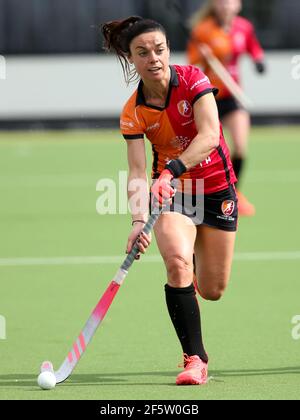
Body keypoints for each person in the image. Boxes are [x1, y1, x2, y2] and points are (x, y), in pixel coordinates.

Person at [102, 16, 238, 386]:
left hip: (216, 189)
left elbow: (211, 135)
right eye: (142, 52)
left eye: (159, 49)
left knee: (212, 290)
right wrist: (136, 221)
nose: (153, 58)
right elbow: (134, 171)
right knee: (177, 263)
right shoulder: (133, 112)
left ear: (168, 50)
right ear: (131, 59)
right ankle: (195, 358)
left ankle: (191, 267)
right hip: (176, 196)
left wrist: (170, 169)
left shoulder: (194, 80)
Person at [187, 0, 266, 216]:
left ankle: (234, 194)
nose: (225, 5)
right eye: (221, 1)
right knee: (208, 149)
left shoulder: (243, 27)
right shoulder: (202, 30)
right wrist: (202, 55)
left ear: (238, 5)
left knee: (240, 146)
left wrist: (259, 60)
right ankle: (200, 196)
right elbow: (192, 64)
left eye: (229, 1)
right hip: (207, 96)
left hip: (233, 95)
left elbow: (253, 47)